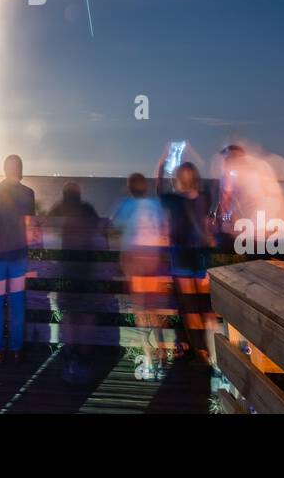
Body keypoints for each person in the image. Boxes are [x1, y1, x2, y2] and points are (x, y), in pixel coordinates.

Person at [112, 172, 168, 380]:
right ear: (146, 188)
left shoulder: (126, 205)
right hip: (153, 259)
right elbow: (164, 228)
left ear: (130, 188)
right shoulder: (155, 205)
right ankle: (162, 353)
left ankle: (149, 360)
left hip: (135, 259)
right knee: (152, 310)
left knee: (139, 311)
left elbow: (114, 226)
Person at [45, 181, 103, 380]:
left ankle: (71, 359)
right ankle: (85, 360)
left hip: (66, 270)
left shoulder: (58, 210)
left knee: (69, 316)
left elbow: (47, 230)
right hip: (86, 270)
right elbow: (100, 235)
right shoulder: (88, 210)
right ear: (80, 194)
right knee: (87, 316)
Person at [0, 154, 36, 363]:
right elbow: (29, 226)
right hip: (19, 254)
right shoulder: (28, 193)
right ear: (20, 169)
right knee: (17, 302)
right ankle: (16, 349)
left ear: (5, 169)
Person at [159, 161, 215, 362]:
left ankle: (201, 351)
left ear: (177, 180)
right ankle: (214, 350)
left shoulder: (173, 200)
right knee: (205, 306)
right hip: (200, 256)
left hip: (181, 256)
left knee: (191, 308)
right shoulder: (204, 198)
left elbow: (159, 191)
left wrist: (161, 165)